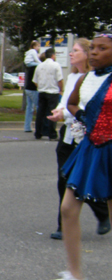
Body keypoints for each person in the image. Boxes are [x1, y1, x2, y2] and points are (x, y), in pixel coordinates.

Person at [44, 33, 112, 280]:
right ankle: (75, 278)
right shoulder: (84, 79)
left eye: (102, 49)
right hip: (90, 149)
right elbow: (72, 102)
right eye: (92, 48)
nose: (94, 52)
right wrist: (81, 116)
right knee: (68, 209)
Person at [46, 38, 109, 240]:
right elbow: (69, 103)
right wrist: (64, 114)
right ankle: (63, 227)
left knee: (84, 180)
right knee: (66, 181)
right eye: (91, 48)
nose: (71, 54)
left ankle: (102, 213)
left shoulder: (99, 78)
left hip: (96, 142)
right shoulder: (76, 78)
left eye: (76, 50)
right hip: (71, 136)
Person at [33, 47, 63, 140]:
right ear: (53, 55)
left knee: (40, 113)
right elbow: (60, 79)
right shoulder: (56, 65)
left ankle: (38, 133)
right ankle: (52, 134)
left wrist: (40, 87)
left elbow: (35, 80)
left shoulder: (39, 66)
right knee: (52, 113)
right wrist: (61, 90)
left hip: (42, 91)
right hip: (53, 91)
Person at [23, 40, 41, 133]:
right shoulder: (36, 67)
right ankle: (39, 127)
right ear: (34, 46)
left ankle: (27, 127)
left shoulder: (29, 67)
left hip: (27, 88)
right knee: (38, 107)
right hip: (34, 89)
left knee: (29, 108)